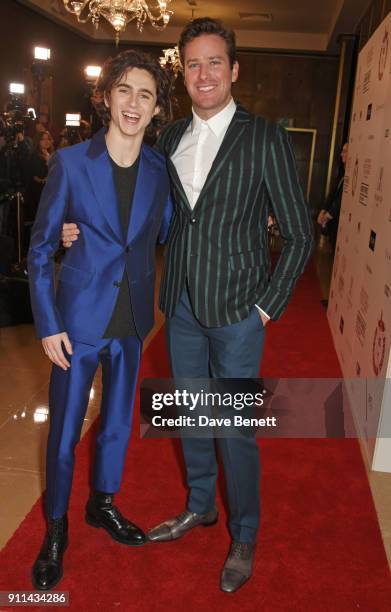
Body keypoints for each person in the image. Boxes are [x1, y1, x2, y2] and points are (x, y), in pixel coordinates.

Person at [62, 17, 314, 594]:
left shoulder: (266, 137)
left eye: (214, 62)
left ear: (234, 69)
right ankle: (200, 505)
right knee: (193, 418)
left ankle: (244, 530)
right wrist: (79, 230)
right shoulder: (168, 137)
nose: (203, 74)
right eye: (193, 64)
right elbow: (141, 213)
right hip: (178, 307)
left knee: (234, 429)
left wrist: (267, 308)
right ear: (185, 70)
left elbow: (300, 235)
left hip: (239, 312)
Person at [27, 49, 173, 591]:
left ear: (157, 108)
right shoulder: (70, 162)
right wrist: (46, 323)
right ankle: (56, 528)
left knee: (115, 425)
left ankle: (102, 504)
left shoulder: (160, 171)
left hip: (133, 321)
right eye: (125, 91)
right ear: (107, 97)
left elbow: (165, 233)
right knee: (63, 433)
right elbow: (40, 249)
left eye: (146, 94)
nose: (134, 103)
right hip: (77, 324)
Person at [317, 142, 348, 251]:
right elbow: (332, 194)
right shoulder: (342, 175)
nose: (341, 154)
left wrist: (327, 216)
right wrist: (324, 210)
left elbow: (340, 200)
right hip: (334, 225)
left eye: (344, 151)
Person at [24, 130, 54, 223]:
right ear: (38, 141)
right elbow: (39, 176)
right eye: (43, 139)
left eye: (48, 139)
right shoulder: (34, 156)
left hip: (49, 192)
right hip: (37, 194)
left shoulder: (52, 155)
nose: (46, 141)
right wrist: (48, 162)